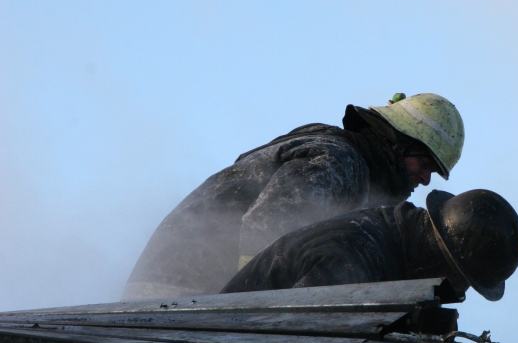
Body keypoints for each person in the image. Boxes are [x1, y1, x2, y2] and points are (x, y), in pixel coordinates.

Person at [123, 93, 465, 301]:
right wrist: (258, 318)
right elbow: (268, 225)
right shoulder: (339, 162)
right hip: (181, 295)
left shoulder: (346, 164)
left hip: (173, 295)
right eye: (423, 164)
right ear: (398, 142)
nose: (424, 179)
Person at [221, 189, 518, 301]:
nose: (458, 293)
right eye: (462, 281)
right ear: (440, 256)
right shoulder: (355, 255)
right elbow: (298, 342)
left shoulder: (392, 243)